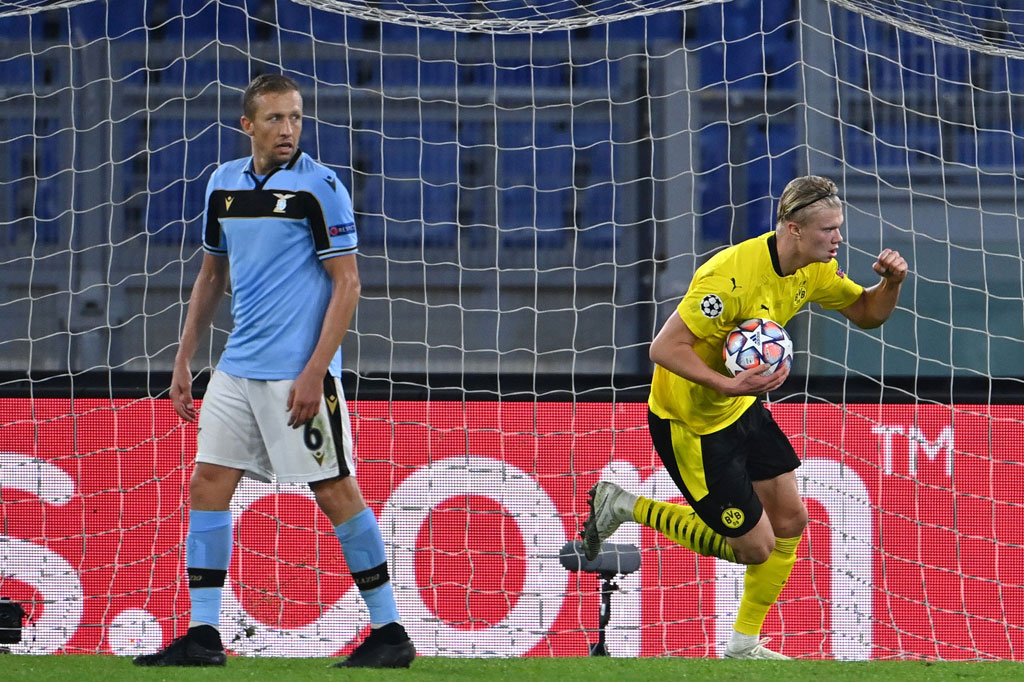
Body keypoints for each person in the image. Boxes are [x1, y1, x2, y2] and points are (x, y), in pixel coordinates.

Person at [133, 74, 415, 669]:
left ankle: (390, 632)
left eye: (295, 118)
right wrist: (185, 358)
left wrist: (316, 371)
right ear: (248, 125)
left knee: (334, 489)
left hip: (296, 374)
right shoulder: (223, 184)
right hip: (236, 369)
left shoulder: (320, 188)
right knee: (207, 484)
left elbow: (349, 283)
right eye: (275, 119)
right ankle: (205, 635)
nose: (287, 129)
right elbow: (212, 276)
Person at [580, 175, 907, 660]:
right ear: (793, 229)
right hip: (690, 422)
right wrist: (728, 384)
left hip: (742, 406)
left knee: (792, 521)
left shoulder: (816, 269)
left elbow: (865, 312)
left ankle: (743, 646)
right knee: (754, 548)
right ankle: (624, 506)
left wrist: (891, 282)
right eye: (829, 230)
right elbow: (664, 348)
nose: (838, 238)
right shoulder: (728, 278)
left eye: (839, 228)